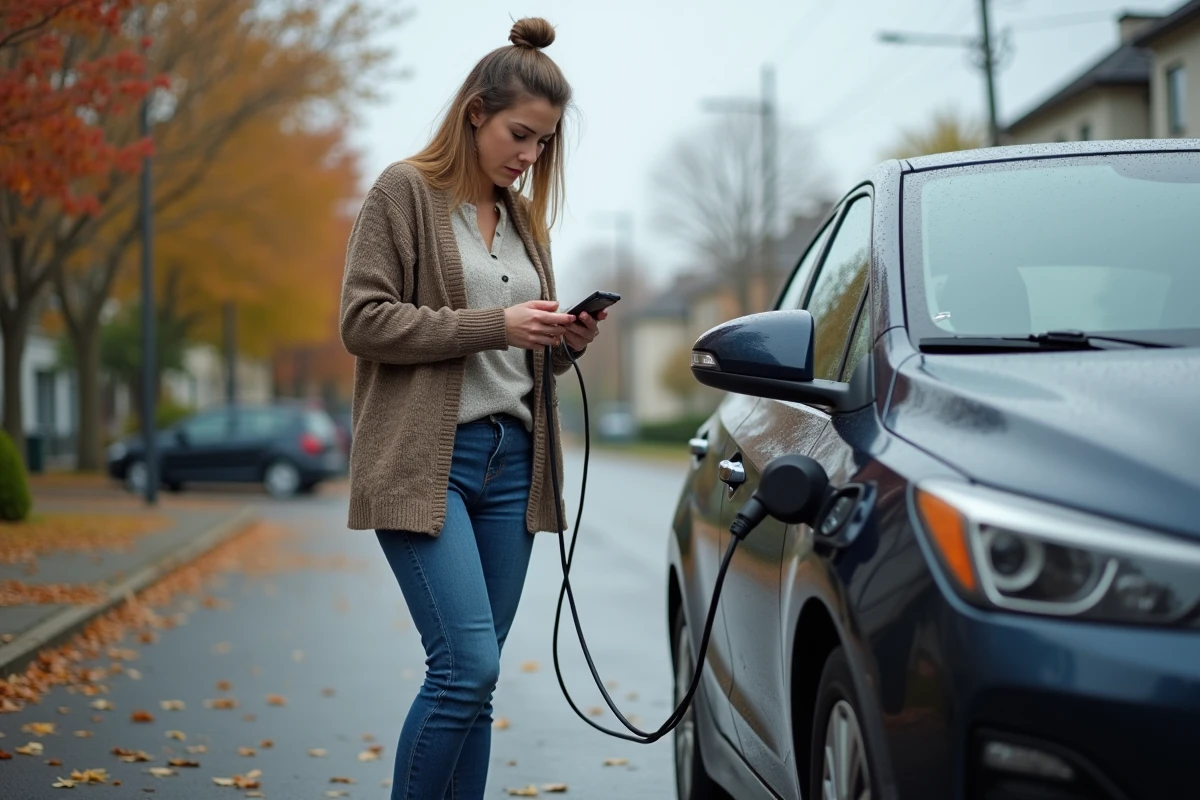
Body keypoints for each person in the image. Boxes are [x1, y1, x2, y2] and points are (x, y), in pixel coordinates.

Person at [337, 16, 605, 800]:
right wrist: (498, 322)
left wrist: (567, 342)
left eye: (545, 144)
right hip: (429, 464)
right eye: (521, 134)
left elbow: (522, 358)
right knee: (466, 666)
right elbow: (363, 322)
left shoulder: (523, 220)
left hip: (515, 465)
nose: (530, 156)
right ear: (476, 112)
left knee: (475, 687)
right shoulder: (404, 193)